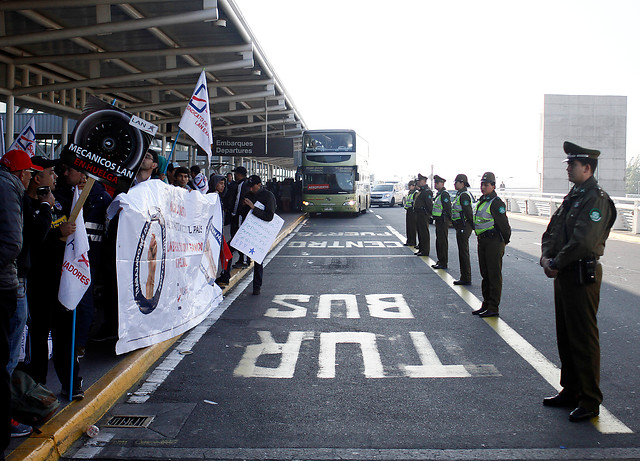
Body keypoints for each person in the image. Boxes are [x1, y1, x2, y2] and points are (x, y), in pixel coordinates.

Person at [540, 142, 616, 423]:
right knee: (566, 334)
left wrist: (556, 263)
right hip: (564, 274)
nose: (568, 169)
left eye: (572, 165)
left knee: (583, 338)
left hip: (581, 275)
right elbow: (554, 228)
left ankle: (590, 398)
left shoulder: (594, 198)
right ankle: (571, 389)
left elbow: (583, 241)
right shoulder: (574, 196)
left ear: (587, 168)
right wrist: (546, 256)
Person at [25, 163, 84, 399]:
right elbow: (30, 239)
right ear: (37, 178)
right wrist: (56, 235)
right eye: (51, 173)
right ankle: (37, 386)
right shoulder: (24, 204)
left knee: (64, 334)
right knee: (38, 336)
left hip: (62, 278)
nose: (56, 176)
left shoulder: (57, 199)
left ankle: (71, 381)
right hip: (38, 281)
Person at [0, 150, 42, 445]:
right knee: (7, 357)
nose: (31, 177)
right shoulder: (9, 190)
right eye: (29, 173)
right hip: (6, 285)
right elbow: (13, 242)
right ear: (20, 173)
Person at [472, 172, 511, 317]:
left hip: (494, 241)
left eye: (486, 185)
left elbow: (504, 226)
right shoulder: (483, 200)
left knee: (494, 275)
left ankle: (493, 307)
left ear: (493, 186)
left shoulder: (496, 202)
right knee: (485, 274)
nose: (483, 187)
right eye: (482, 184)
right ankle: (486, 303)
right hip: (483, 240)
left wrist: (503, 242)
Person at [241, 175, 276, 295]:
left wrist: (253, 207)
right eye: (249, 187)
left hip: (260, 232)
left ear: (259, 185)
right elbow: (243, 213)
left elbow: (269, 216)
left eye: (253, 187)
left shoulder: (268, 196)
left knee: (258, 260)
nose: (250, 189)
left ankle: (257, 286)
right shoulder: (248, 195)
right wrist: (244, 206)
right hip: (248, 230)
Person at [224, 166, 250, 268]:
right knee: (234, 234)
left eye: (236, 173)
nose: (235, 175)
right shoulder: (235, 184)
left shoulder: (244, 185)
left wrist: (237, 211)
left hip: (240, 215)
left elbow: (238, 200)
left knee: (239, 236)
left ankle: (244, 259)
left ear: (241, 174)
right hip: (234, 214)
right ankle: (241, 258)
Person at [451, 174, 474, 285]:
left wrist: (470, 226)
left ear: (462, 183)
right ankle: (464, 276)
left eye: (456, 182)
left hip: (463, 226)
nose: (454, 184)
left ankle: (466, 277)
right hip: (460, 226)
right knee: (462, 251)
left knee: (463, 252)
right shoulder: (460, 194)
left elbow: (468, 213)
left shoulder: (464, 195)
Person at [431, 175, 451, 269]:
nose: (435, 184)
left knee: (442, 242)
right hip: (438, 221)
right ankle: (440, 261)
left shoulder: (444, 194)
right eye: (435, 182)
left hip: (443, 221)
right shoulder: (439, 194)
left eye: (437, 183)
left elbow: (447, 208)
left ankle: (443, 262)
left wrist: (447, 219)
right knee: (439, 241)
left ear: (442, 184)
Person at [413, 173, 433, 257]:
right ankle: (421, 248)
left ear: (424, 181)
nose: (418, 182)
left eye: (420, 181)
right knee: (420, 232)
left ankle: (425, 250)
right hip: (418, 214)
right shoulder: (421, 191)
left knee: (424, 233)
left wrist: (429, 214)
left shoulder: (427, 192)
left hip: (423, 214)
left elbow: (429, 205)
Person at [404, 180, 418, 247]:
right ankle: (409, 240)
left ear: (414, 186)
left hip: (413, 212)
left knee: (412, 228)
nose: (409, 187)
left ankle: (413, 241)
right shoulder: (410, 193)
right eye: (409, 186)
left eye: (410, 186)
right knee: (408, 227)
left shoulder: (415, 193)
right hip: (408, 211)